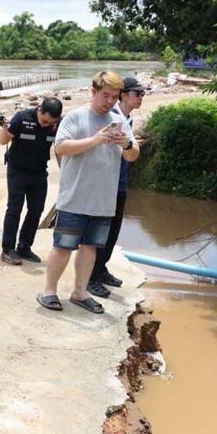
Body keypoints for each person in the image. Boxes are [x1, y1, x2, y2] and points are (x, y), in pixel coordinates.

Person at [37, 71, 139, 315]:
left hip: (104, 200)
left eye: (115, 97)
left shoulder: (120, 120)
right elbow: (60, 147)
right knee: (63, 246)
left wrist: (125, 143)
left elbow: (133, 154)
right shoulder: (76, 117)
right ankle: (49, 291)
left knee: (91, 247)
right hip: (75, 198)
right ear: (92, 92)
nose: (110, 101)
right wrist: (96, 140)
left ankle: (80, 291)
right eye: (106, 95)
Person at [88, 76, 144, 298]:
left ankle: (101, 269)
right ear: (124, 95)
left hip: (120, 182)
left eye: (143, 94)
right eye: (137, 94)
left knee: (113, 232)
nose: (141, 98)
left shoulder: (126, 119)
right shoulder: (112, 118)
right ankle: (91, 277)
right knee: (98, 233)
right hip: (106, 184)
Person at [0, 96, 62, 265]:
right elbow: (3, 140)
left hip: (39, 172)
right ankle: (8, 249)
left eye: (50, 123)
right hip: (17, 170)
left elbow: (59, 149)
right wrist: (4, 128)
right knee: (14, 208)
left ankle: (24, 247)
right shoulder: (22, 118)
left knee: (36, 209)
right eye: (44, 120)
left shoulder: (58, 124)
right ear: (39, 110)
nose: (45, 125)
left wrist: (65, 172)